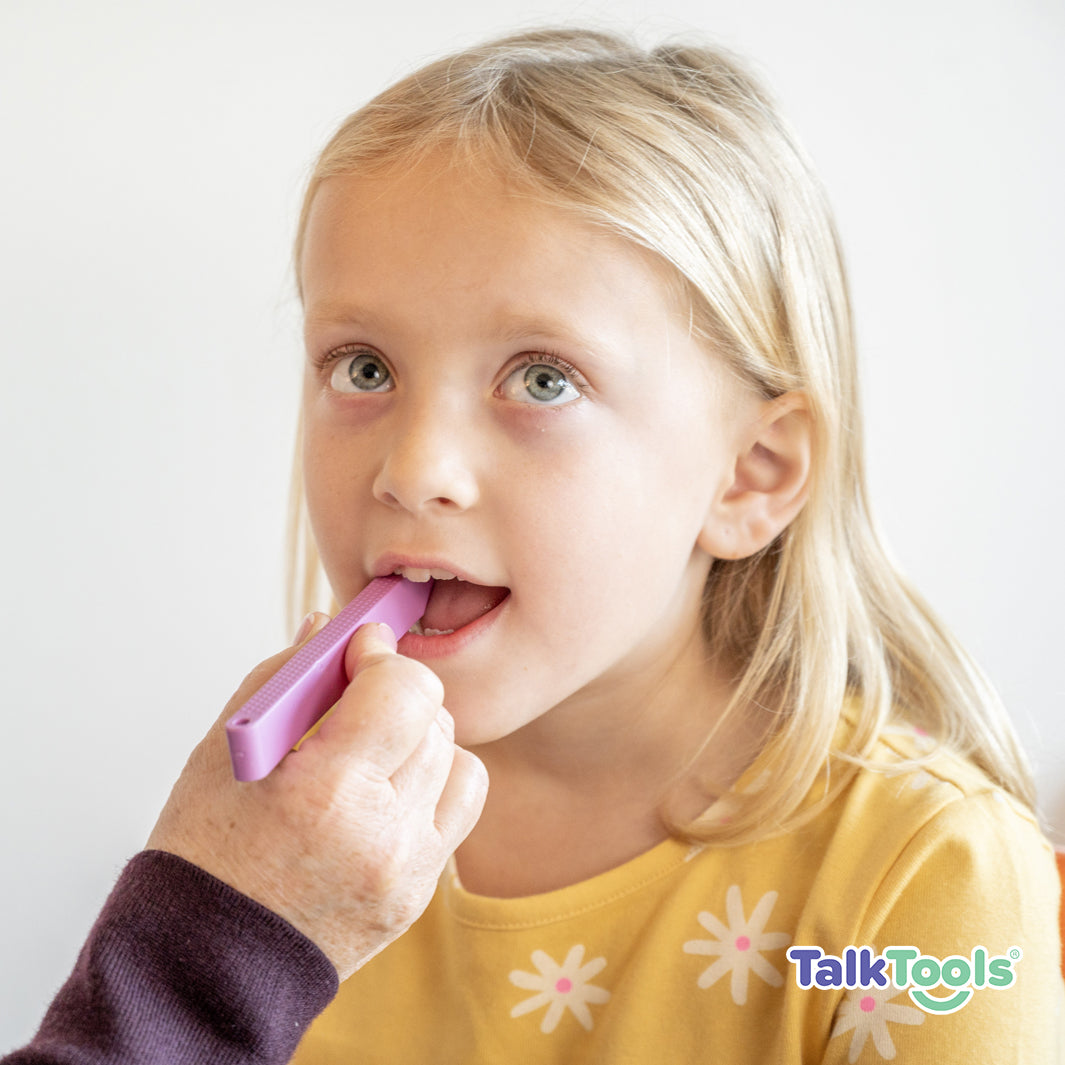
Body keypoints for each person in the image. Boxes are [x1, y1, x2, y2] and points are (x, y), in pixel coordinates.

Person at [6, 26, 1061, 1065]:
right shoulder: (302, 843)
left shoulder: (929, 885)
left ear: (753, 475)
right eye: (363, 368)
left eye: (543, 379)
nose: (415, 469)